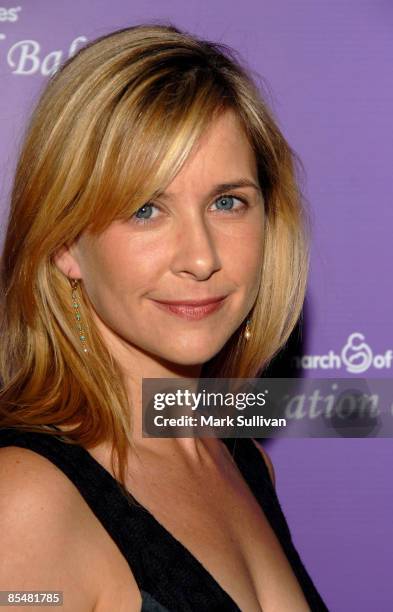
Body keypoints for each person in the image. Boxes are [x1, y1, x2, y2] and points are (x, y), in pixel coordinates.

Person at [0, 23, 328, 612]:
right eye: (146, 209)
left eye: (228, 202)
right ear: (64, 244)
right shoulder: (25, 498)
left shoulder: (239, 460)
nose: (201, 257)